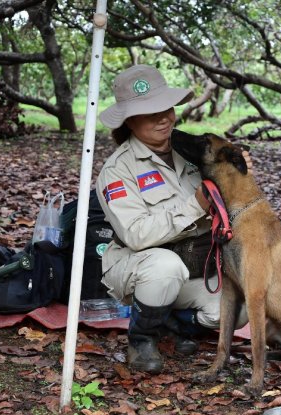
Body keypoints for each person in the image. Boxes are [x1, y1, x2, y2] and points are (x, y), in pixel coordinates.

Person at [96, 64, 249, 374]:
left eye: (165, 107)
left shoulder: (190, 150)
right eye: (151, 112)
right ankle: (141, 340)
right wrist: (194, 205)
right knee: (164, 268)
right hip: (140, 266)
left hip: (195, 264)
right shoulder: (117, 170)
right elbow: (136, 235)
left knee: (241, 308)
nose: (163, 117)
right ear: (129, 120)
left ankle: (174, 325)